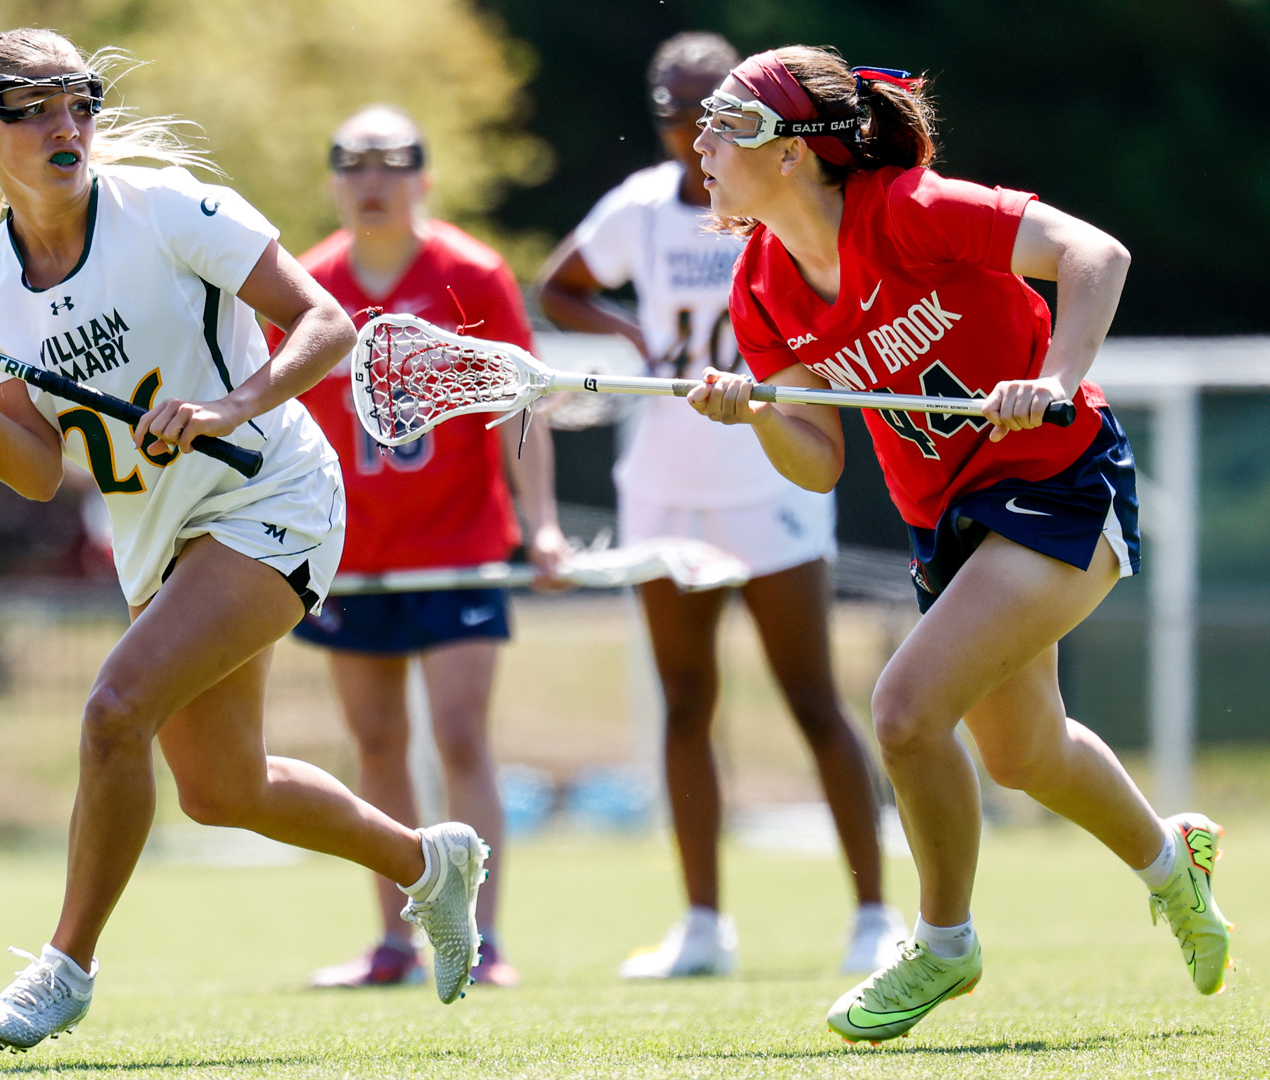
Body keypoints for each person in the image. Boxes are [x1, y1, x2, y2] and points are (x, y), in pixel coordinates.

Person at [0, 29, 490, 1052]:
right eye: (31, 109)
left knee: (113, 710)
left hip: (276, 499)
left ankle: (62, 971)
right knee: (222, 790)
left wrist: (228, 405)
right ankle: (430, 866)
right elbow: (34, 472)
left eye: (77, 101)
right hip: (162, 541)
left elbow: (326, 323)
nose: (64, 124)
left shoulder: (164, 207)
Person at [683, 45, 1230, 1042]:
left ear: (796, 151)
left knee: (902, 710)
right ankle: (1174, 868)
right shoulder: (761, 288)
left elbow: (1095, 253)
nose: (703, 142)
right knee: (1025, 754)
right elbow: (817, 459)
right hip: (950, 525)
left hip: (1059, 484)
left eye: (726, 123)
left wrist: (1058, 375)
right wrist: (755, 413)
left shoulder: (911, 211)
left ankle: (944, 942)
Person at [538, 32, 901, 980]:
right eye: (673, 113)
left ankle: (873, 913)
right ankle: (702, 922)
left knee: (811, 697)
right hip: (665, 483)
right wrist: (634, 333)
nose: (686, 133)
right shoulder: (641, 211)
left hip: (767, 482)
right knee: (685, 700)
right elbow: (561, 285)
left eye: (706, 112)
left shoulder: (769, 214)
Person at [280, 106, 567, 991]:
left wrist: (541, 523)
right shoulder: (310, 283)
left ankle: (482, 940)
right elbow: (278, 414)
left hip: (458, 544)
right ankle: (399, 939)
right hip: (351, 552)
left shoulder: (471, 273)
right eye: (353, 163)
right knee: (374, 742)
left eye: (391, 163)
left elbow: (520, 404)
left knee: (459, 734)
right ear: (332, 179)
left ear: (422, 178)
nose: (372, 181)